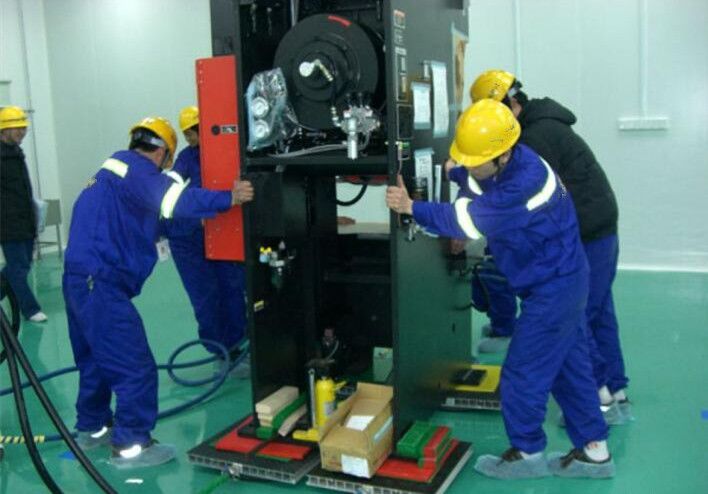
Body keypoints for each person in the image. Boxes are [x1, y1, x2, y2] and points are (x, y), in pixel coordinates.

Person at [386, 100, 614, 479]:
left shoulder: (524, 184)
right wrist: (459, 172)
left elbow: (467, 221)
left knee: (522, 373)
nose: (472, 166)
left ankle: (527, 453)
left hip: (554, 289)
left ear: (503, 154)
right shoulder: (513, 161)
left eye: (476, 161)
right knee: (569, 369)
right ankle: (595, 452)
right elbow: (482, 181)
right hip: (564, 280)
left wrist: (412, 207)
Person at [63, 116, 254, 469]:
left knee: (96, 358)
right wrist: (229, 197)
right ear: (164, 153)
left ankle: (93, 428)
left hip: (79, 279)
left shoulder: (112, 174)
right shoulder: (136, 170)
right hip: (102, 282)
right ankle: (131, 445)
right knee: (134, 364)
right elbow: (176, 200)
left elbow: (157, 219)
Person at [469, 70, 630, 420]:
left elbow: (522, 200)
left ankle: (600, 399)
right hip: (601, 226)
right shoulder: (544, 124)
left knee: (577, 319)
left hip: (587, 234)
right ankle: (616, 389)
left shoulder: (534, 138)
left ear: (510, 105)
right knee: (599, 311)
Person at [162, 106, 250, 371]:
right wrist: (196, 216)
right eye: (186, 135)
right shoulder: (187, 158)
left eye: (192, 133)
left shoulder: (231, 150)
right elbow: (170, 190)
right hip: (189, 238)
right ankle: (221, 351)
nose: (190, 139)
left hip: (224, 232)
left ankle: (236, 345)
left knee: (233, 289)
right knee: (206, 298)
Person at [0, 106, 47, 323]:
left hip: (25, 221)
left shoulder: (16, 153)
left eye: (23, 127)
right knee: (18, 269)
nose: (22, 132)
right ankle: (30, 309)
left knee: (20, 267)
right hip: (8, 223)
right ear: (3, 130)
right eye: (16, 127)